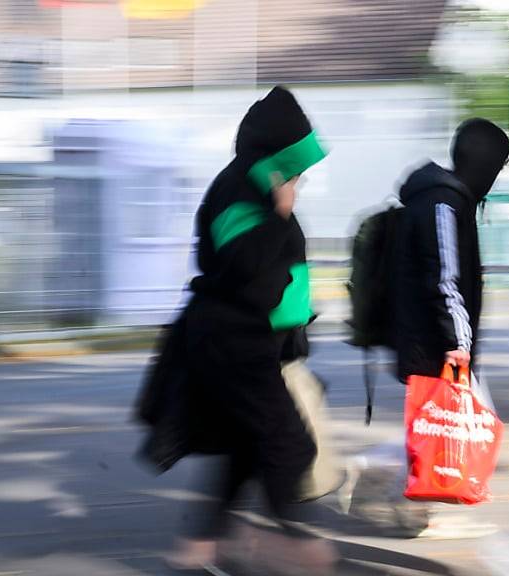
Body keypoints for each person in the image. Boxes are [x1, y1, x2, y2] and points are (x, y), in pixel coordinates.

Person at [164, 86, 335, 572]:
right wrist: (280, 213)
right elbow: (246, 271)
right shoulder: (240, 192)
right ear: (274, 155)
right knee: (287, 445)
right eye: (295, 167)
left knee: (246, 445)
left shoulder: (253, 188)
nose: (300, 179)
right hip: (233, 343)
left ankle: (198, 549)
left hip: (247, 343)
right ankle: (293, 549)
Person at [393, 118, 509, 381]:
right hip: (437, 354)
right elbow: (443, 278)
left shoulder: (446, 199)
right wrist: (458, 342)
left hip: (434, 350)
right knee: (445, 421)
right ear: (485, 163)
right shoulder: (443, 203)